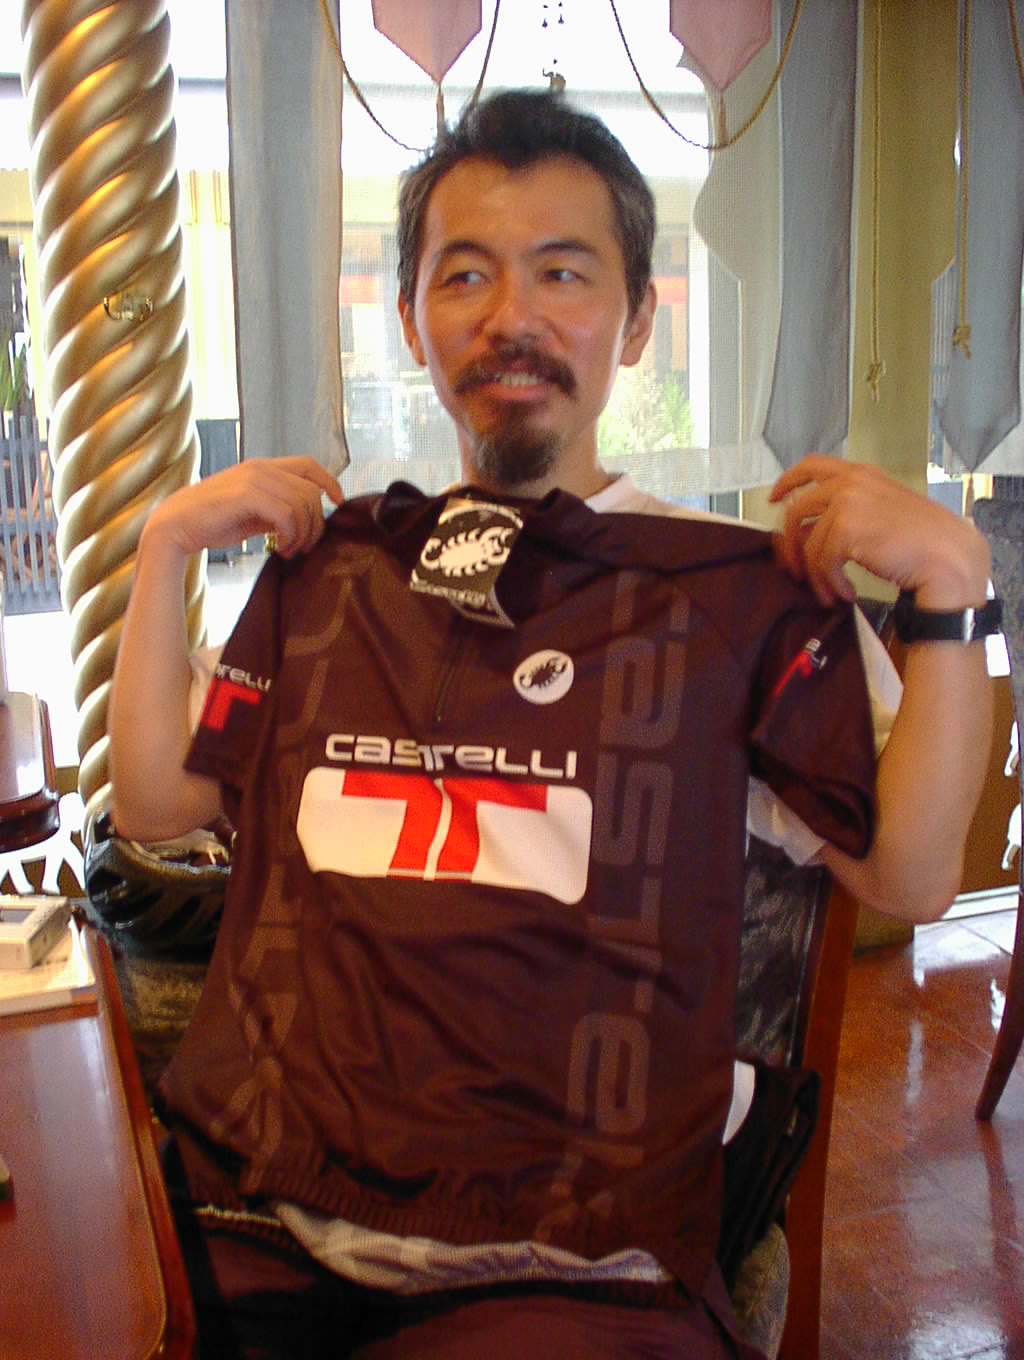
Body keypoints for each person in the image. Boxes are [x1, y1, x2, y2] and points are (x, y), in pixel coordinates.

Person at [109, 89, 995, 1359]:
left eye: (562, 273)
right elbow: (155, 803)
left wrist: (954, 589)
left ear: (636, 321)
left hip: (565, 1261)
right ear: (410, 318)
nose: (510, 317)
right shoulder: (336, 578)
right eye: (464, 274)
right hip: (261, 1211)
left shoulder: (726, 597)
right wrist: (164, 548)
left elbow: (909, 877)